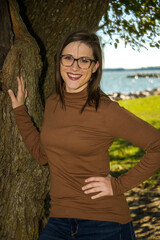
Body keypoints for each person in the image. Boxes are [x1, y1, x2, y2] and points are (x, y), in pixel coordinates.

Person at [8, 30, 160, 240]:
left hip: (105, 223)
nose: (74, 66)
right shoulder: (53, 104)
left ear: (95, 66)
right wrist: (20, 111)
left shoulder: (106, 110)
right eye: (68, 58)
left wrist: (118, 185)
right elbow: (42, 155)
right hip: (59, 220)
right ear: (59, 60)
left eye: (84, 60)